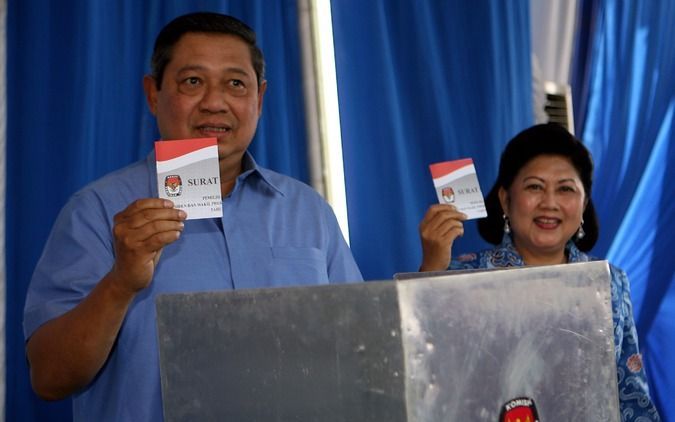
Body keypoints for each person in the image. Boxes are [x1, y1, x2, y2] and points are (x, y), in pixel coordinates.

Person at [23, 12, 362, 421]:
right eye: (192, 82)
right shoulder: (96, 211)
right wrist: (120, 283)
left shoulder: (308, 210)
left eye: (236, 83)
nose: (215, 102)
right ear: (153, 94)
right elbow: (50, 378)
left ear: (260, 98)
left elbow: (355, 346)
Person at [418, 123, 661, 421]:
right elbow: (426, 373)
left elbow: (630, 394)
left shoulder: (609, 281)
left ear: (583, 204)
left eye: (566, 189)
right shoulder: (461, 275)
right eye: (534, 186)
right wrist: (431, 269)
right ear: (505, 199)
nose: (549, 203)